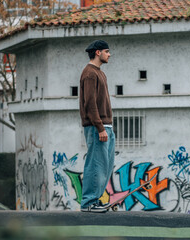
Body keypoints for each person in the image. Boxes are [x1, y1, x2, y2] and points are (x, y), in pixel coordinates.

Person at [79, 40, 115, 213]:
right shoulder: (90, 74)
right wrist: (100, 127)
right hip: (97, 127)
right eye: (107, 51)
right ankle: (88, 203)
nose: (109, 55)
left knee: (105, 167)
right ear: (98, 52)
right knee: (95, 165)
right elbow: (90, 104)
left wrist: (105, 127)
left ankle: (96, 200)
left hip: (106, 126)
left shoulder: (100, 73)